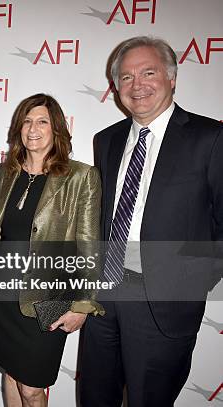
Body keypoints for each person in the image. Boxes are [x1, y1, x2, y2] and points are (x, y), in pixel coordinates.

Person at [80, 36, 223, 407]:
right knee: (96, 395)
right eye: (125, 77)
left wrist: (191, 279)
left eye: (148, 72)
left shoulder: (211, 138)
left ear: (172, 78)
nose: (136, 84)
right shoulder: (105, 140)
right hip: (104, 293)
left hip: (162, 301)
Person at [0, 94, 103, 407]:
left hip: (48, 299)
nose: (33, 128)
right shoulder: (4, 173)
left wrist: (83, 304)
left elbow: (89, 243)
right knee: (10, 373)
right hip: (2, 295)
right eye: (27, 121)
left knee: (32, 389)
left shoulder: (80, 177)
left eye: (42, 121)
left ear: (56, 129)